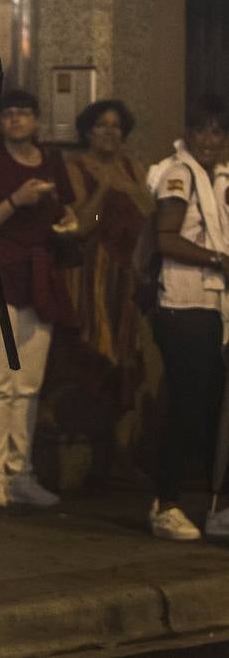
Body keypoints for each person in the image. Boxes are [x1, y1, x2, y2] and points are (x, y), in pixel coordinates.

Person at [0, 89, 77, 508]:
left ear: (37, 120)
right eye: (8, 115)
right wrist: (16, 201)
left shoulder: (52, 160)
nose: (17, 121)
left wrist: (72, 221)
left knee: (28, 384)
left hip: (38, 274)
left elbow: (72, 211)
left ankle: (22, 472)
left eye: (24, 113)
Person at [57, 100, 158, 482]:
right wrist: (103, 187)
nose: (109, 133)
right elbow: (84, 222)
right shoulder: (75, 167)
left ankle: (119, 453)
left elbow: (151, 215)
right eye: (102, 126)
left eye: (116, 127)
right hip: (92, 276)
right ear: (87, 131)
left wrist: (130, 186)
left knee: (128, 362)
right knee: (95, 355)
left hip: (127, 275)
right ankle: (87, 449)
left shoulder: (135, 168)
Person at [145, 96, 229, 541]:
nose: (210, 140)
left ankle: (197, 502)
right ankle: (166, 501)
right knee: (186, 404)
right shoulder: (179, 176)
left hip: (212, 305)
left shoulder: (218, 179)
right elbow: (167, 239)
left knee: (206, 406)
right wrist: (218, 259)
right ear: (189, 134)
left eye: (218, 132)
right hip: (183, 303)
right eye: (202, 131)